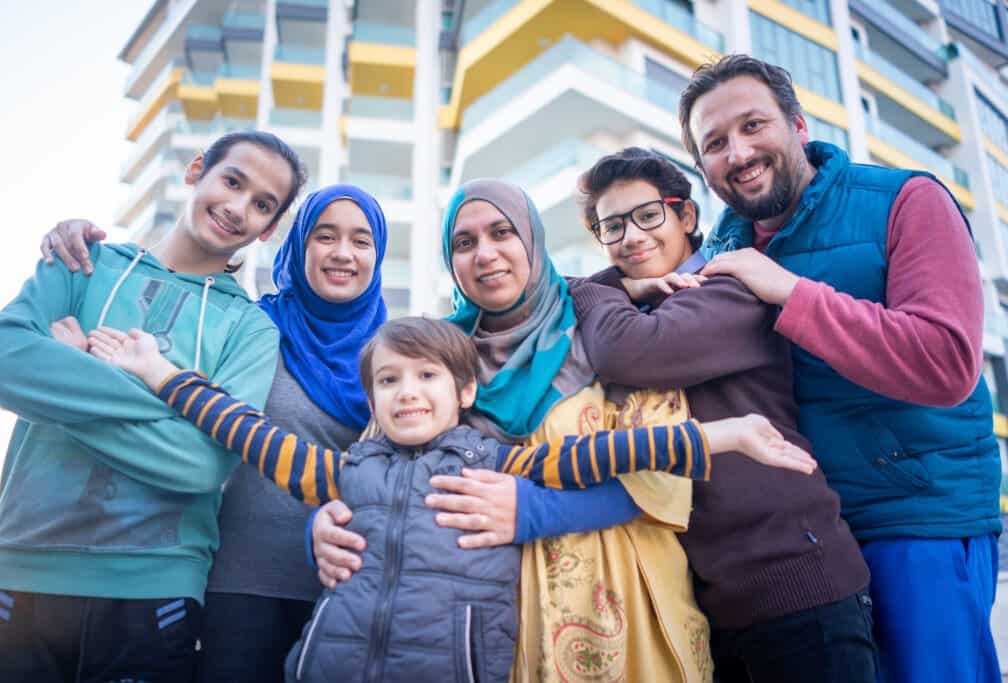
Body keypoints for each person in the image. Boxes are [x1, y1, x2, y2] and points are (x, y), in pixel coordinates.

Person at [83, 315, 814, 682]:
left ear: (464, 391)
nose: (408, 392)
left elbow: (614, 453)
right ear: (370, 398)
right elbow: (244, 429)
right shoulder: (340, 472)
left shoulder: (501, 462)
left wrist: (731, 433)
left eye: (427, 376)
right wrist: (158, 371)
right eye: (391, 380)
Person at [678, 54, 1001, 682]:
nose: (738, 152)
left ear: (798, 126)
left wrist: (790, 293)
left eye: (753, 126)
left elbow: (947, 360)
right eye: (714, 143)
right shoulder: (718, 255)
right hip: (801, 546)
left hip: (913, 521)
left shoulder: (908, 200)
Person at [314, 179, 717, 682]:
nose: (485, 254)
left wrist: (534, 511)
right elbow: (371, 469)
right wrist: (327, 524)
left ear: (532, 239)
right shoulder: (434, 355)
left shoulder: (606, 327)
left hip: (613, 602)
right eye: (464, 242)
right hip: (477, 622)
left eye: (502, 232)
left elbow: (662, 478)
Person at [0, 130, 304, 682]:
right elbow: (9, 366)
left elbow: (202, 465)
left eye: (261, 205)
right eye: (232, 181)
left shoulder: (251, 329)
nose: (237, 209)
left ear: (270, 228)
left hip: (157, 591)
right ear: (197, 170)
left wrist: (75, 369)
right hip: (21, 573)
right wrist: (172, 399)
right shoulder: (80, 262)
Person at [36, 183, 389, 683]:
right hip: (235, 586)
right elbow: (167, 373)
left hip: (347, 588)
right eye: (324, 236)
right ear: (298, 246)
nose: (342, 254)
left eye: (361, 241)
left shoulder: (395, 356)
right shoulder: (250, 324)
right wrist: (80, 348)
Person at [570, 146, 876, 682]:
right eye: (611, 227)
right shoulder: (633, 306)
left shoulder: (730, 290)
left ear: (686, 215)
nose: (633, 238)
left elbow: (632, 352)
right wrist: (622, 288)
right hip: (715, 606)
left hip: (799, 590)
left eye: (647, 215)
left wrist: (608, 288)